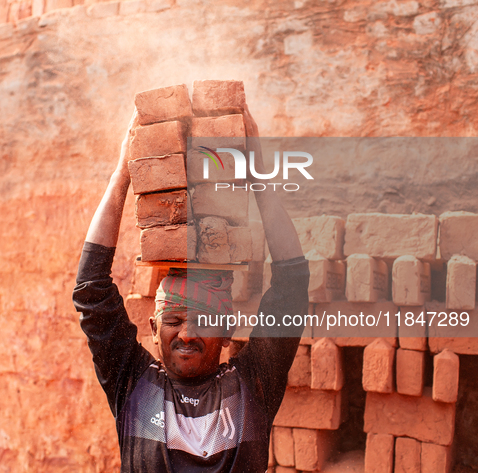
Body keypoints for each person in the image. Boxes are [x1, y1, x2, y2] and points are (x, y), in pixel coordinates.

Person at [73, 106, 310, 472]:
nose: (187, 333)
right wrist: (122, 176)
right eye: (174, 319)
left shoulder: (253, 387)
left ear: (228, 329)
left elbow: (292, 282)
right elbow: (91, 289)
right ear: (153, 329)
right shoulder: (134, 386)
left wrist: (257, 175)